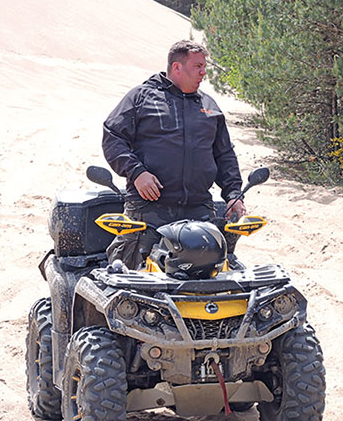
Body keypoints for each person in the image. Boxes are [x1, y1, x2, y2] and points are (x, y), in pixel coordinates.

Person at [102, 40, 246, 270]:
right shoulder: (141, 97)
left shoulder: (209, 106)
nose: (204, 72)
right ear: (177, 67)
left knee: (211, 277)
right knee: (130, 283)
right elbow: (113, 137)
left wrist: (234, 194)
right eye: (198, 66)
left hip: (199, 211)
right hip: (148, 212)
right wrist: (137, 173)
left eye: (204, 66)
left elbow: (224, 155)